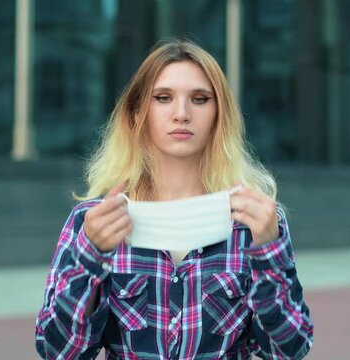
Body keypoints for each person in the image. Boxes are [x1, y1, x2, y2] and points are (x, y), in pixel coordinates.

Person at [35, 38, 314, 359]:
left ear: (218, 115)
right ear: (138, 113)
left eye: (199, 99)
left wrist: (267, 253)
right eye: (163, 98)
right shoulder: (94, 221)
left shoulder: (256, 220)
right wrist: (90, 257)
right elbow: (59, 353)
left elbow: (288, 351)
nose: (181, 114)